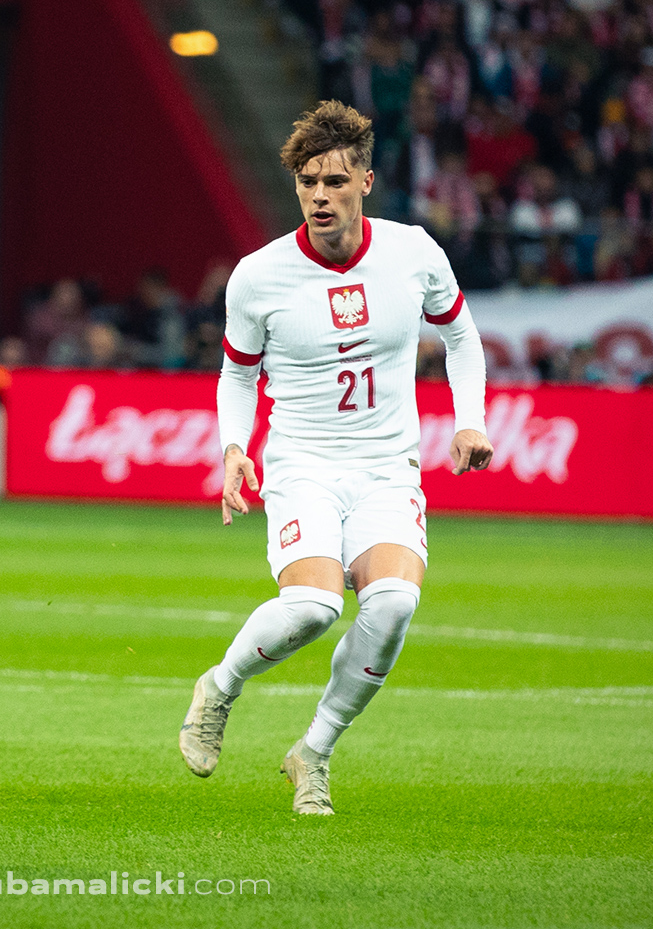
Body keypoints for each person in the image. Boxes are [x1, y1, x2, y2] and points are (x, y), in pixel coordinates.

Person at [179, 100, 492, 815]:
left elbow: (463, 338)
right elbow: (237, 372)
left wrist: (469, 423)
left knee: (394, 604)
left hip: (388, 465)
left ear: (366, 182)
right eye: (307, 183)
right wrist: (234, 447)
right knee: (315, 607)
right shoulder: (259, 276)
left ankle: (312, 752)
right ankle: (218, 688)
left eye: (334, 182)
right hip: (303, 464)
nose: (319, 196)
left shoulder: (413, 253)